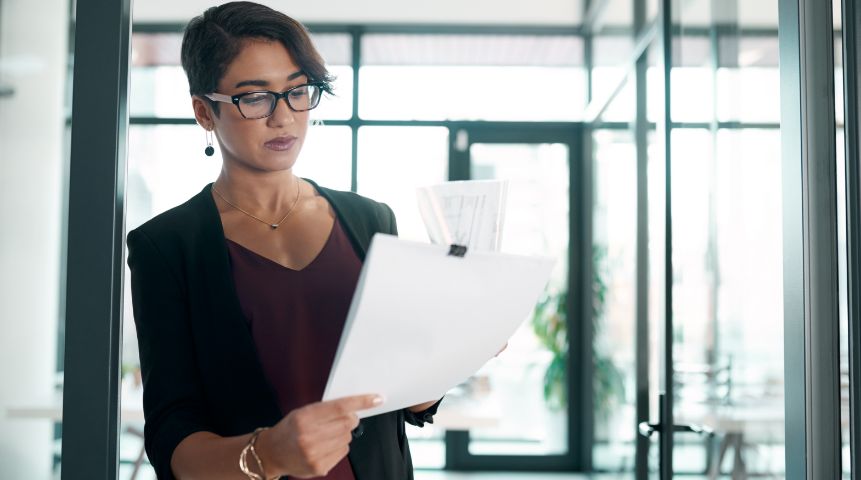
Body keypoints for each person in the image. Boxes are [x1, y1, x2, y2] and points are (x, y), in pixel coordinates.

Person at [126, 2, 443, 478]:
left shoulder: (369, 219)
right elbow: (173, 437)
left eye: (297, 91)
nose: (284, 118)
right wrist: (268, 454)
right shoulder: (166, 246)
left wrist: (455, 347)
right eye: (254, 98)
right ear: (203, 111)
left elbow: (407, 395)